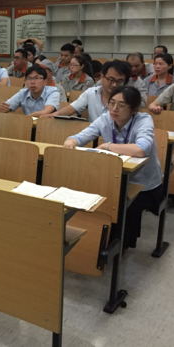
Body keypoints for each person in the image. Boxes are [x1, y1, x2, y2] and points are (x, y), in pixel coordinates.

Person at [64, 86, 163, 249]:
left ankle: (113, 248)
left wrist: (107, 146)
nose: (114, 109)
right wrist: (71, 142)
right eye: (112, 103)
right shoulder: (106, 118)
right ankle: (92, 245)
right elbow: (81, 136)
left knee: (117, 206)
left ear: (134, 109)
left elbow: (141, 149)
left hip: (144, 185)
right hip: (114, 180)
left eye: (121, 105)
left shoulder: (143, 120)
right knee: (93, 198)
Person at [51, 60, 130, 122]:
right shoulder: (91, 93)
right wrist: (52, 116)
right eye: (111, 80)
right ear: (102, 77)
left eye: (119, 81)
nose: (115, 85)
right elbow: (72, 108)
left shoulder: (128, 98)